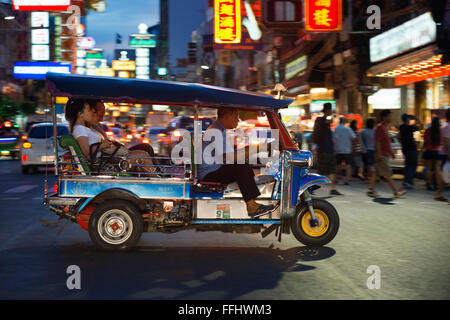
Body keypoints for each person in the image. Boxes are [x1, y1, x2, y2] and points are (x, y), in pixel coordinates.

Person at [197, 108, 274, 218]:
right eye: (235, 117)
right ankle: (251, 205)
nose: (237, 120)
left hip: (215, 168)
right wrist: (256, 149)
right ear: (226, 115)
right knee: (241, 166)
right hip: (209, 173)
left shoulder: (219, 130)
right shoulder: (216, 131)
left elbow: (232, 154)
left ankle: (252, 200)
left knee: (243, 164)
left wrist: (253, 148)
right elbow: (231, 158)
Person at [64, 98, 154, 174]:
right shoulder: (79, 129)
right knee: (143, 156)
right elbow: (86, 151)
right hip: (104, 167)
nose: (92, 113)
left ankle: (155, 178)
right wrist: (103, 145)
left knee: (143, 154)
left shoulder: (85, 128)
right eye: (89, 110)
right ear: (80, 114)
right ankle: (157, 182)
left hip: (107, 162)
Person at [88, 99, 156, 159]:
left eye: (104, 107)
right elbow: (90, 150)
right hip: (112, 156)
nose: (104, 109)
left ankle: (156, 170)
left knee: (146, 147)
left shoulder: (97, 126)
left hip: (116, 152)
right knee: (145, 150)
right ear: (93, 111)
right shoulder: (88, 128)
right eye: (101, 108)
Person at [368, 109, 405, 198]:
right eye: (389, 116)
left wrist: (391, 152)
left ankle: (371, 190)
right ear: (384, 117)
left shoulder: (384, 127)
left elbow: (386, 140)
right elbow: (378, 142)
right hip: (382, 155)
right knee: (388, 174)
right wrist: (379, 154)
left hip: (385, 154)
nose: (391, 118)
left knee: (376, 173)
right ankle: (396, 192)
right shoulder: (380, 127)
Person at [312, 103, 342, 195]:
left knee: (331, 169)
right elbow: (329, 121)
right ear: (327, 110)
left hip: (328, 149)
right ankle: (311, 186)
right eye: (330, 110)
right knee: (322, 170)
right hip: (323, 149)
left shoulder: (323, 121)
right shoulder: (321, 120)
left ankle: (332, 188)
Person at [423, 117, 446, 201]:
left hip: (429, 150)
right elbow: (442, 142)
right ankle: (437, 184)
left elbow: (425, 141)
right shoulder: (440, 131)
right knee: (437, 169)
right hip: (437, 151)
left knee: (428, 168)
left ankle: (428, 184)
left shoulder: (428, 130)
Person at [399, 113, 419, 189]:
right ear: (407, 119)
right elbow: (418, 127)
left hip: (405, 148)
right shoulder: (410, 127)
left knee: (407, 165)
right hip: (411, 148)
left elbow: (400, 136)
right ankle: (408, 181)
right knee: (413, 165)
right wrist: (416, 119)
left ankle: (406, 181)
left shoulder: (401, 127)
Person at [334, 117, 356, 185]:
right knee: (348, 165)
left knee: (338, 165)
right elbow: (354, 137)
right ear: (344, 121)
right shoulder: (348, 129)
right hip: (347, 149)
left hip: (338, 149)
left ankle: (336, 178)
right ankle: (346, 180)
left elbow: (334, 138)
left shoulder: (336, 128)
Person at [361, 119, 377, 196]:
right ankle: (371, 187)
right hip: (374, 151)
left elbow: (360, 140)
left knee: (369, 167)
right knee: (374, 169)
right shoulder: (375, 131)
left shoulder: (364, 132)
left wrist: (363, 148)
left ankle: (370, 180)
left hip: (367, 151)